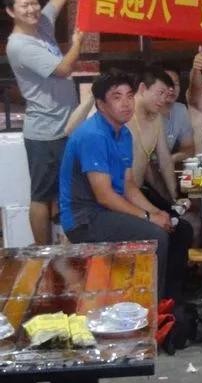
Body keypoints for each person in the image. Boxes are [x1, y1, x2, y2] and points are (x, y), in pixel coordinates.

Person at [59, 71, 189, 300]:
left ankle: (171, 301)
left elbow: (129, 185)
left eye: (129, 96)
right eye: (117, 97)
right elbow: (104, 196)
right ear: (101, 104)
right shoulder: (93, 135)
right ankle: (149, 305)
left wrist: (157, 213)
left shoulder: (124, 133)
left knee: (179, 228)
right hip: (85, 219)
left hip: (107, 211)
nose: (126, 103)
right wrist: (148, 218)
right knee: (156, 235)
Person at [5, 0, 84, 244]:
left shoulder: (42, 25)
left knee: (66, 192)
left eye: (34, 3)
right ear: (11, 12)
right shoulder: (19, 45)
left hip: (65, 127)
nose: (32, 9)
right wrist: (77, 44)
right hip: (45, 132)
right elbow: (63, 69)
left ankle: (64, 250)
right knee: (41, 196)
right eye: (24, 6)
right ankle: (42, 253)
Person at [127, 70, 179, 204]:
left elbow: (165, 159)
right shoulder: (122, 115)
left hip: (138, 193)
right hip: (118, 196)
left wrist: (175, 198)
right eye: (160, 93)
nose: (163, 100)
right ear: (142, 88)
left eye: (166, 95)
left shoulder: (156, 118)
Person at [161, 66, 195, 164]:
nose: (172, 89)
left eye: (175, 84)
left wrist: (173, 158)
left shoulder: (180, 109)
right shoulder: (147, 110)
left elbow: (189, 148)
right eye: (167, 83)